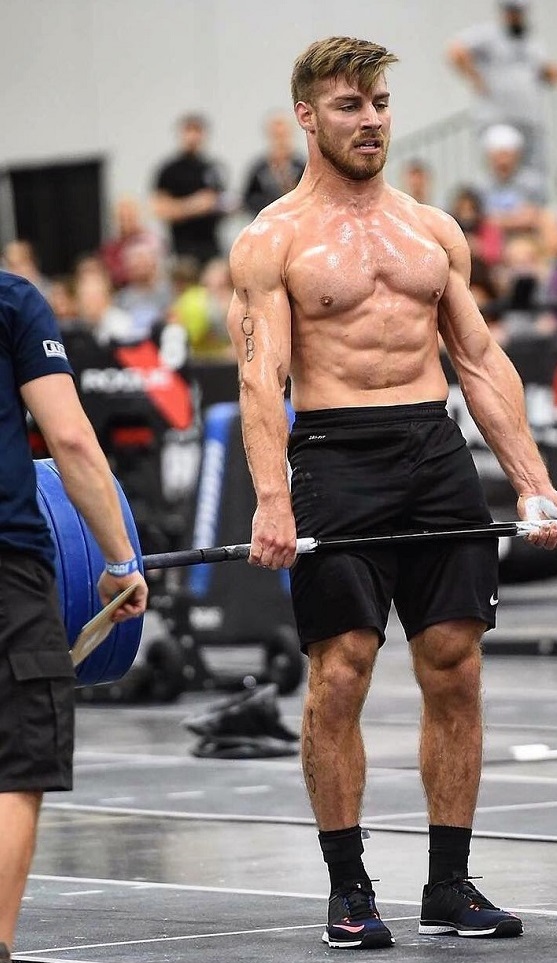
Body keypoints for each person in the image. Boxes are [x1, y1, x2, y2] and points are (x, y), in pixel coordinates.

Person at [226, 36, 557, 949]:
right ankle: (348, 888)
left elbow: (479, 360)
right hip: (336, 456)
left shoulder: (431, 229)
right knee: (339, 669)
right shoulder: (273, 239)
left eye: (378, 102)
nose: (370, 119)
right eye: (348, 106)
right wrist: (273, 499)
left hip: (434, 450)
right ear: (307, 115)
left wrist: (533, 483)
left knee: (455, 664)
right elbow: (260, 382)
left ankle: (449, 885)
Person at [0, 270, 148, 959]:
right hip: (6, 566)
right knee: (17, 761)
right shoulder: (11, 298)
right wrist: (119, 560)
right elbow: (71, 439)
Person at [447, 0, 557, 176]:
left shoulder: (532, 42)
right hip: (499, 121)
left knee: (533, 176)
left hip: (529, 122)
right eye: (511, 11)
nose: (514, 16)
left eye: (518, 12)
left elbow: (547, 73)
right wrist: (475, 78)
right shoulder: (489, 36)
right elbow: (456, 49)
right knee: (500, 175)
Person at [151, 114, 229, 266]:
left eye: (197, 131)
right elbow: (160, 209)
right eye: (188, 130)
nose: (192, 136)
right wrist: (193, 206)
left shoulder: (212, 168)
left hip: (211, 245)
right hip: (182, 248)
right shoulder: (169, 171)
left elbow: (220, 200)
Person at [242, 111, 306, 216]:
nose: (280, 141)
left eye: (283, 135)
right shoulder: (259, 169)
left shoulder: (303, 166)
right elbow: (248, 199)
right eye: (276, 135)